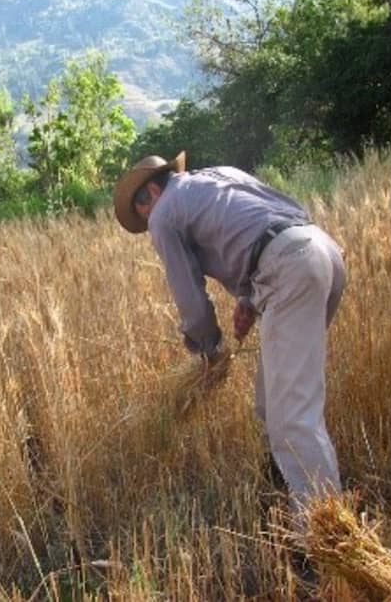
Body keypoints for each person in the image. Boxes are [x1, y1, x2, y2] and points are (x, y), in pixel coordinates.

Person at [113, 152, 346, 527]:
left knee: (292, 419)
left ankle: (325, 534)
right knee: (271, 403)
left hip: (289, 271)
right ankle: (289, 493)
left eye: (141, 213)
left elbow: (190, 296)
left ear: (151, 193)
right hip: (323, 251)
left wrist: (209, 351)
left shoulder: (161, 215)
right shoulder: (221, 174)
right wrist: (250, 298)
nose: (146, 221)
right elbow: (280, 217)